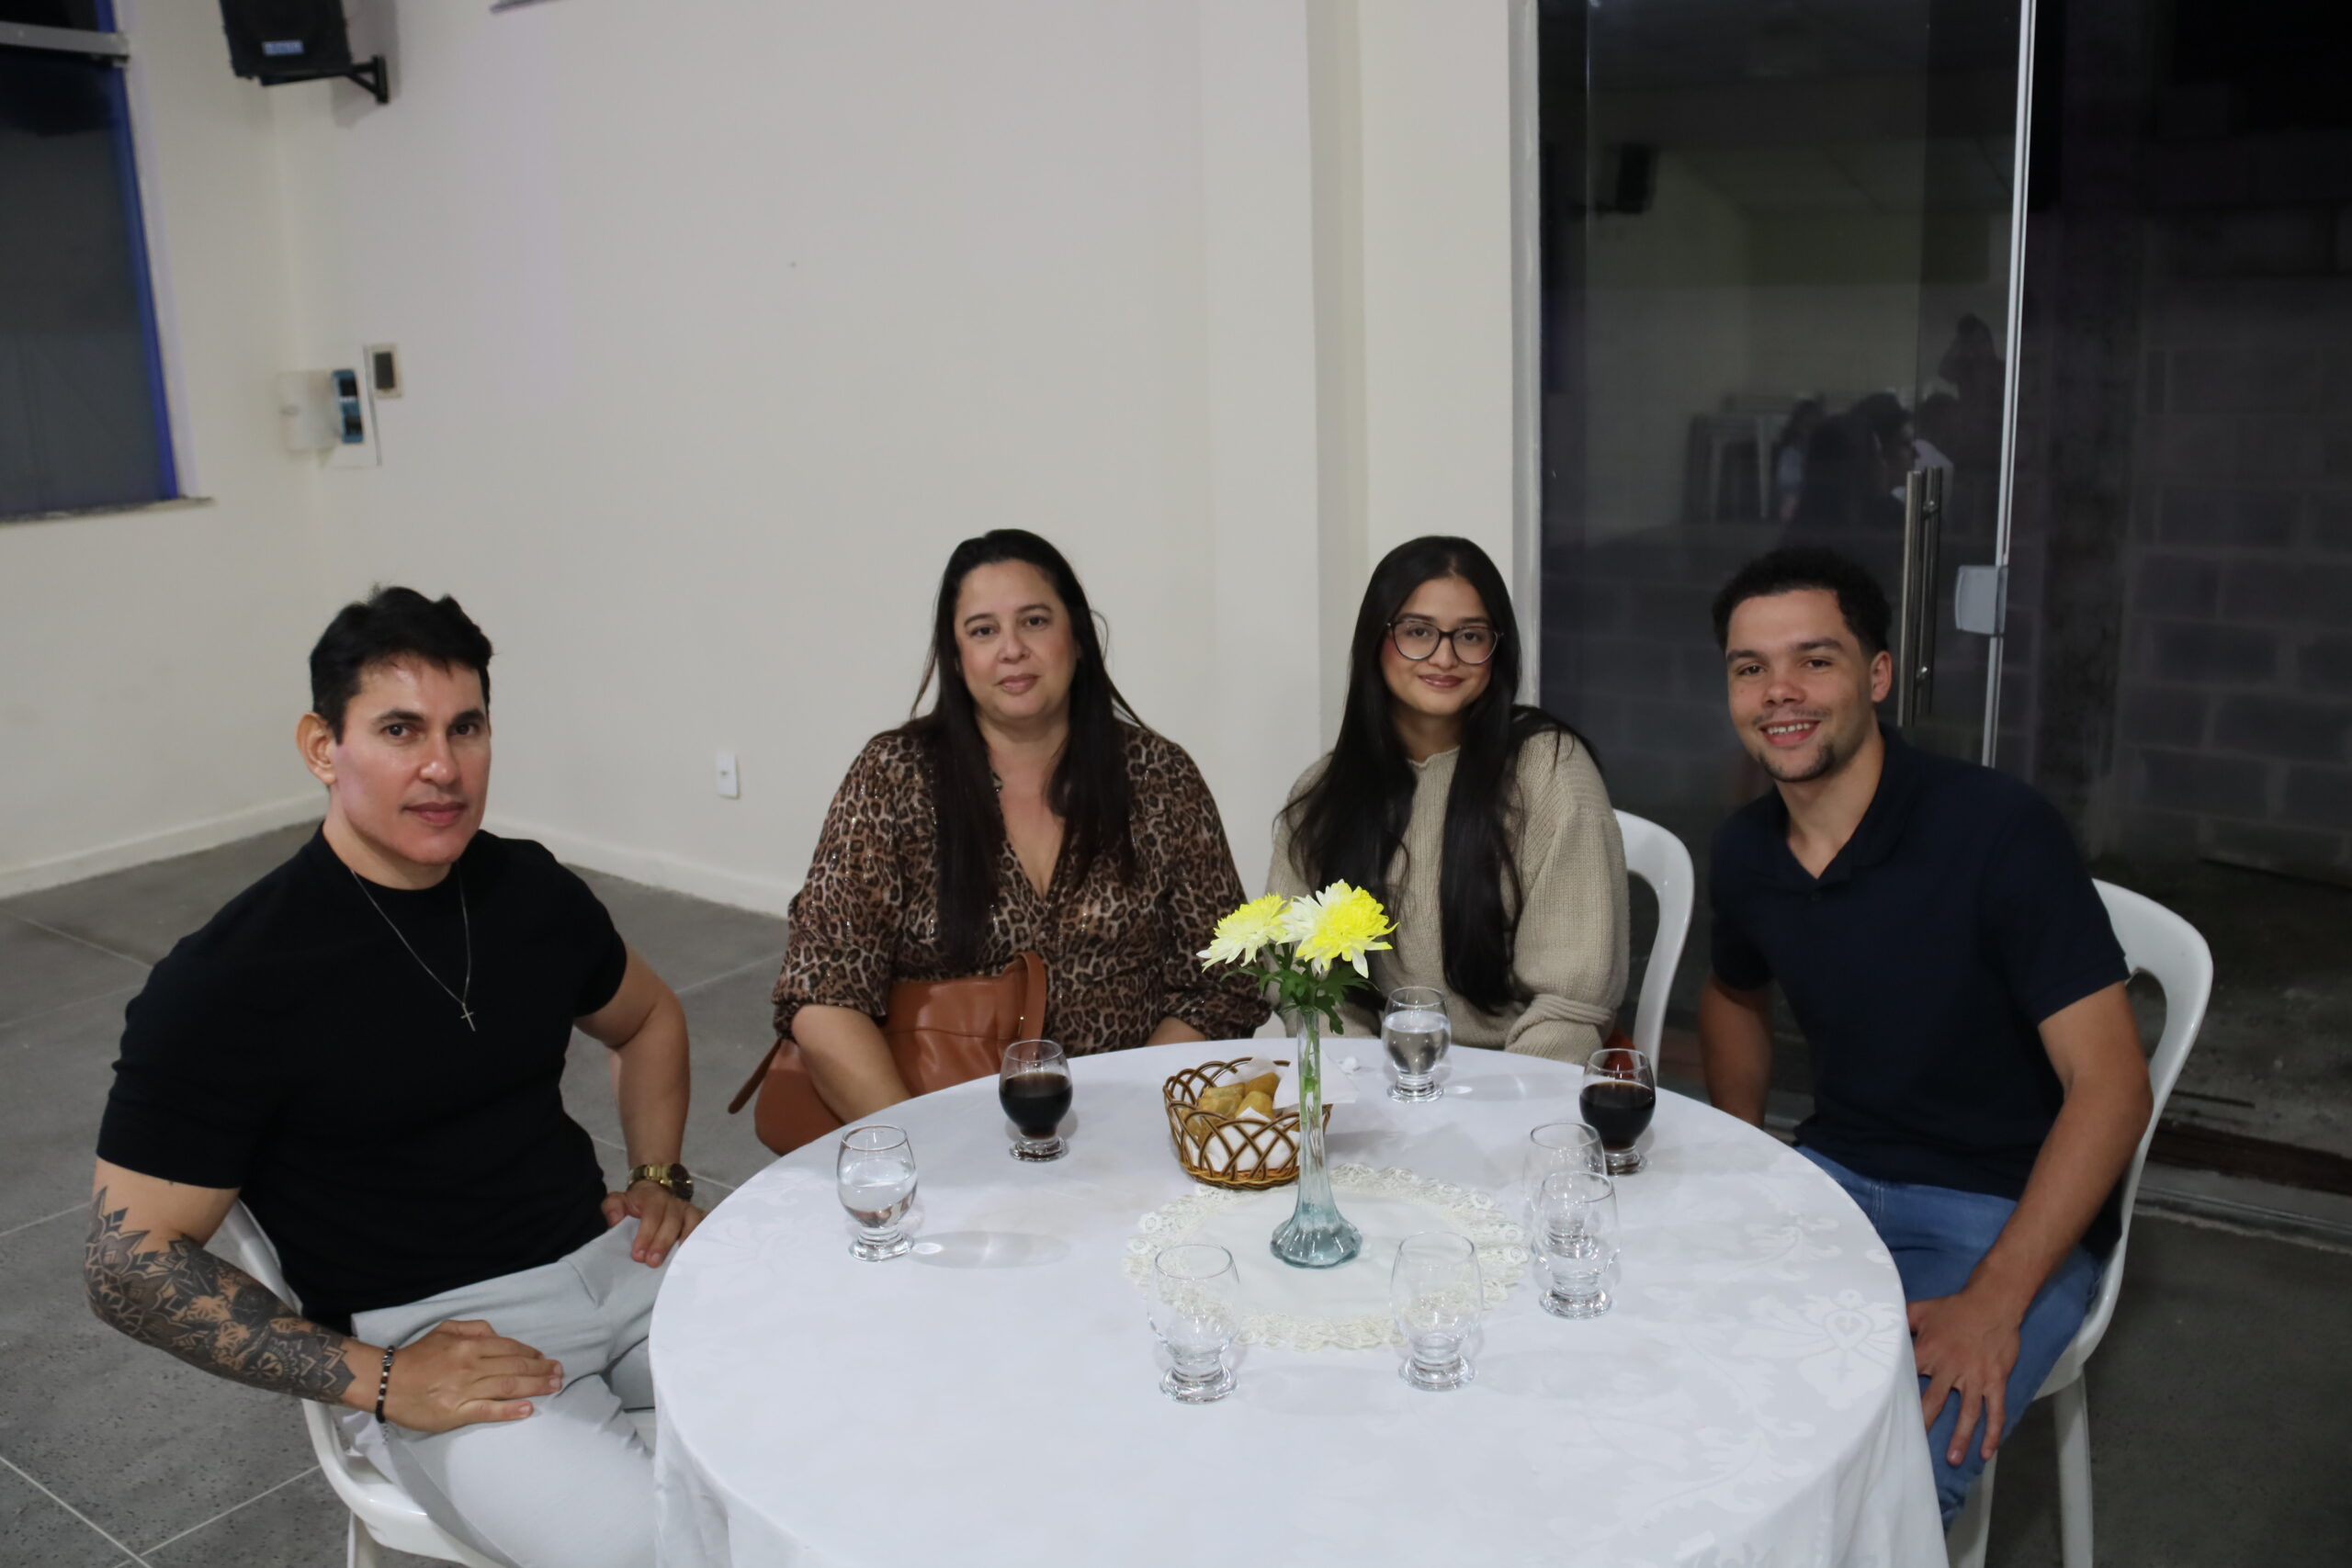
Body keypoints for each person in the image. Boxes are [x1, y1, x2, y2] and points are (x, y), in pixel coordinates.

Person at [86, 589, 701, 1568]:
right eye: (400, 729)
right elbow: (129, 1264)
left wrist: (659, 1175)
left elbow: (649, 1018)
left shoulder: (528, 888)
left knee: (852, 1415)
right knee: (659, 1555)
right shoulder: (227, 981)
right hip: (435, 1336)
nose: (443, 767)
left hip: (617, 1262)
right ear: (322, 747)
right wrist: (382, 1381)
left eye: (467, 728)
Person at [1696, 547, 2152, 1526]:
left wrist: (1995, 1299)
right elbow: (1733, 992)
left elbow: (2113, 1085)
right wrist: (1745, 1157)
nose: (1779, 691)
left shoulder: (1998, 829)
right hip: (1830, 1178)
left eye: (1814, 659)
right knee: (1667, 1379)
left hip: (2004, 1209)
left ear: (1876, 675)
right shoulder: (1745, 851)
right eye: (1750, 667)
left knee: (1882, 1485)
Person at [775, 529, 1267, 1120]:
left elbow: (1222, 979)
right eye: (983, 630)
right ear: (957, 656)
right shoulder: (894, 776)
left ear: (1077, 637)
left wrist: (1127, 1113)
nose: (1011, 649)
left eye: (1034, 621)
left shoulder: (1158, 775)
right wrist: (921, 1146)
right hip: (933, 1119)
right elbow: (823, 990)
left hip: (1127, 1118)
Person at [1269, 536, 1627, 1060]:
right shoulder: (1323, 793)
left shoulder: (1549, 769)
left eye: (1471, 636)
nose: (1445, 657)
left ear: (1497, 649)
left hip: (1523, 1083)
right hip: (1382, 1081)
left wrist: (1502, 1104)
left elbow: (1569, 1010)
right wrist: (1364, 1086)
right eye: (1418, 631)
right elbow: (1311, 993)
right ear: (1376, 638)